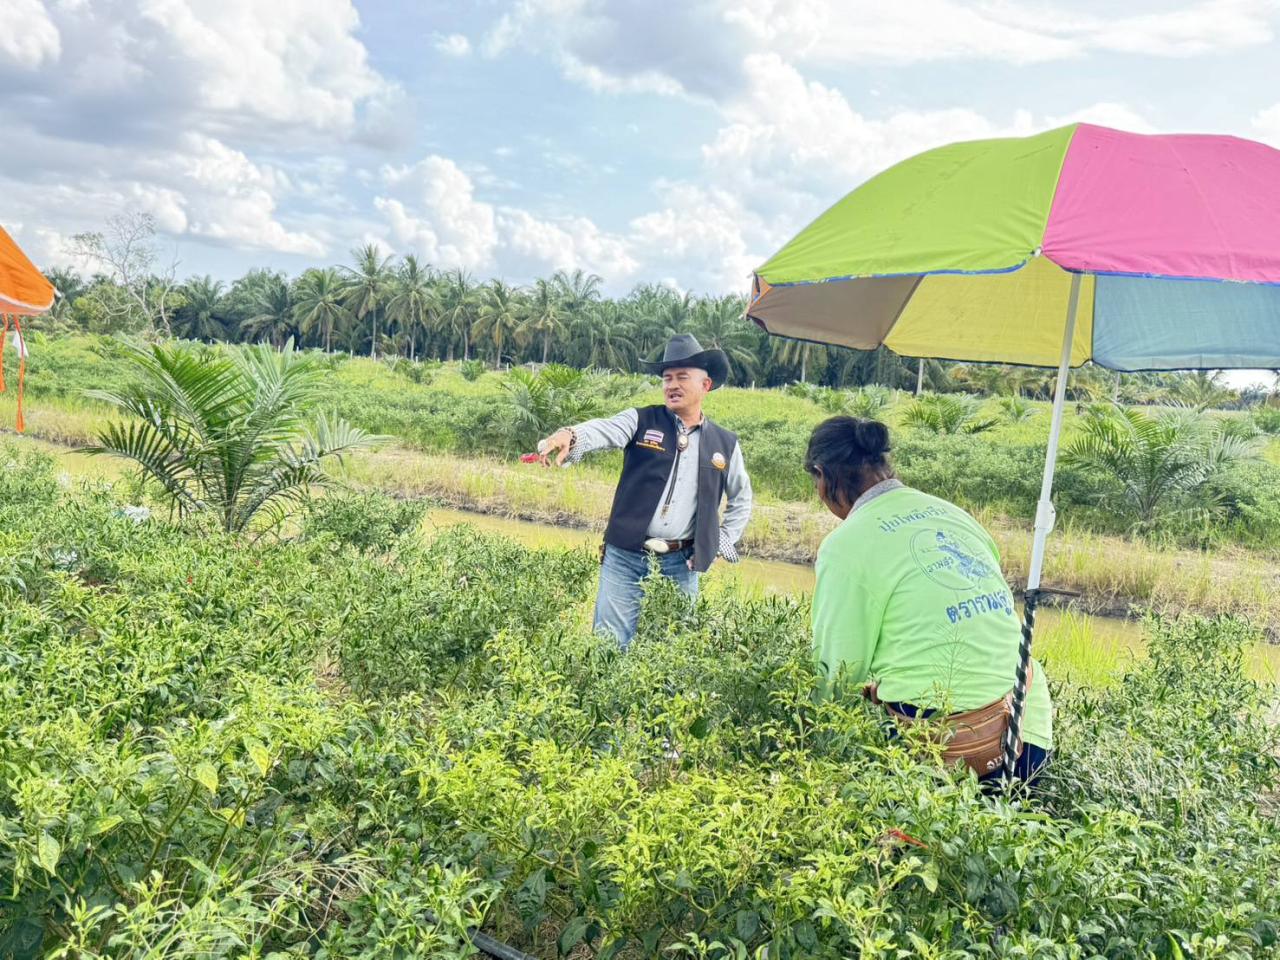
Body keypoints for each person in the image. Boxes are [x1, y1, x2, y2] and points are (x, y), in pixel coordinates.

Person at [805, 415, 1052, 783]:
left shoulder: (846, 546)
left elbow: (836, 671)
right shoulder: (955, 516)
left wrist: (809, 746)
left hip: (950, 748)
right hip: (1028, 730)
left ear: (823, 478)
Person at [538, 334, 753, 649]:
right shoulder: (640, 420)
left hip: (682, 563)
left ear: (705, 385)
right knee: (609, 646)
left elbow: (742, 498)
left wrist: (719, 541)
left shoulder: (725, 444)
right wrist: (570, 434)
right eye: (667, 378)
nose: (672, 385)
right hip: (625, 556)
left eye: (682, 377)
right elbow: (605, 429)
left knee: (672, 652)